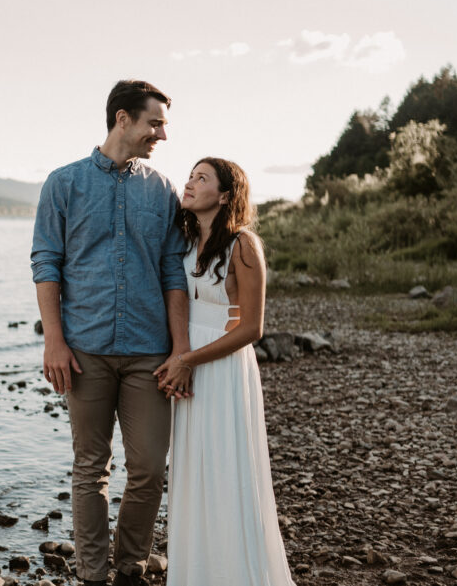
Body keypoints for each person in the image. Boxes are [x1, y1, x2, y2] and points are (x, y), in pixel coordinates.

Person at [31, 80, 190, 586]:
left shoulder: (161, 189)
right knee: (90, 467)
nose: (162, 134)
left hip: (149, 352)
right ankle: (93, 575)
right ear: (123, 119)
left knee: (147, 469)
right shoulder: (63, 183)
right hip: (85, 350)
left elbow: (172, 271)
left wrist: (181, 350)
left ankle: (130, 567)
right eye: (155, 123)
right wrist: (53, 340)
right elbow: (46, 263)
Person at [154, 158, 296, 586]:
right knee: (192, 470)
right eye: (190, 176)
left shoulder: (244, 245)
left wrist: (188, 361)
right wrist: (178, 355)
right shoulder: (182, 241)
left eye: (202, 178)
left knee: (225, 469)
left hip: (222, 366)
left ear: (226, 195)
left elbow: (253, 328)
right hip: (187, 358)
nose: (190, 183)